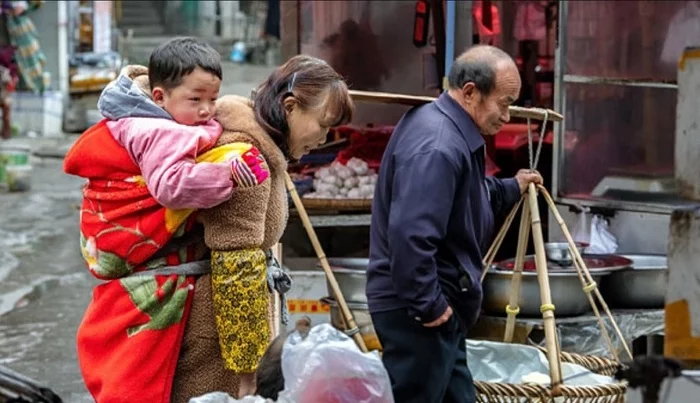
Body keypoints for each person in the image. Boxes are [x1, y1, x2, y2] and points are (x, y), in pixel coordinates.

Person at [64, 49, 353, 403]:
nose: (324, 138)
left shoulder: (252, 143)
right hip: (213, 334)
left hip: (211, 325)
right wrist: (250, 373)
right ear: (291, 107)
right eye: (323, 125)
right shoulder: (245, 159)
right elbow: (237, 265)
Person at [366, 44, 543, 403]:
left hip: (437, 306)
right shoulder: (439, 144)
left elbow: (465, 199)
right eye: (504, 103)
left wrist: (512, 187)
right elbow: (411, 236)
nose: (507, 116)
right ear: (470, 93)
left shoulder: (446, 128)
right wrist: (431, 307)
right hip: (419, 311)